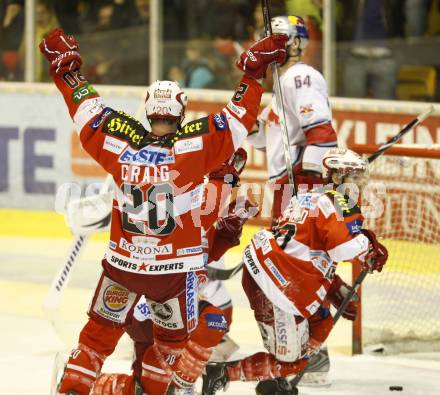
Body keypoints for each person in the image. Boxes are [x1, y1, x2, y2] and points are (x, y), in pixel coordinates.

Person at [39, 27, 288, 395]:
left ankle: (74, 388)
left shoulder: (117, 142)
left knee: (94, 342)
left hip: (122, 269)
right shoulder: (190, 149)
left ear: (147, 110)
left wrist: (67, 71)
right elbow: (237, 120)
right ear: (181, 113)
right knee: (168, 351)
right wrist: (253, 74)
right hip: (171, 276)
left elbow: (85, 108)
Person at [201, 148, 389, 395]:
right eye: (354, 178)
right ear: (335, 177)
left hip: (267, 270)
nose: (359, 186)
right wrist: (368, 244)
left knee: (320, 320)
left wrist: (333, 288)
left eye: (360, 179)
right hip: (278, 285)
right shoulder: (340, 200)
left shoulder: (308, 196)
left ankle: (273, 378)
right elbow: (342, 251)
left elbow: (307, 252)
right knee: (293, 361)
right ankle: (223, 373)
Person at [247, 15, 337, 221]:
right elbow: (266, 141)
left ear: (295, 43)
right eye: (267, 41)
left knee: (292, 248)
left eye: (277, 40)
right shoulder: (281, 85)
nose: (270, 47)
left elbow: (322, 133)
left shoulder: (300, 76)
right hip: (287, 183)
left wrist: (310, 181)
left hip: (300, 182)